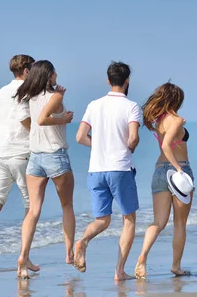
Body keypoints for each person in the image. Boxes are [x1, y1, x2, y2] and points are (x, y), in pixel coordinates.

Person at [74, 61, 141, 281]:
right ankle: (120, 271)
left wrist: (101, 144)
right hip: (120, 169)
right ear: (127, 80)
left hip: (96, 170)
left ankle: (83, 241)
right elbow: (132, 138)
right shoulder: (131, 106)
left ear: (108, 80)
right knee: (128, 219)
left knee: (102, 220)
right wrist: (129, 146)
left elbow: (80, 136)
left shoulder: (94, 105)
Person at [0, 54, 39, 279]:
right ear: (27, 71)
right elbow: (25, 119)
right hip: (22, 153)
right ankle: (24, 257)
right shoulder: (29, 91)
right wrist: (38, 135)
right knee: (31, 207)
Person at [13, 60, 75, 279]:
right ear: (49, 75)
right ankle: (69, 253)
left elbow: (38, 116)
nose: (57, 73)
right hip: (55, 155)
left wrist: (60, 102)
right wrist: (63, 117)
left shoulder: (30, 98)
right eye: (54, 71)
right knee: (66, 206)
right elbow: (42, 120)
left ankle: (23, 255)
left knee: (33, 211)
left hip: (35, 158)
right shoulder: (55, 97)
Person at [134, 82, 195, 280]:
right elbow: (168, 146)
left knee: (158, 222)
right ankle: (176, 266)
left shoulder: (158, 120)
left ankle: (142, 258)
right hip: (179, 170)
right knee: (180, 223)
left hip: (159, 171)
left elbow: (167, 139)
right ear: (176, 100)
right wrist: (179, 169)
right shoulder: (175, 120)